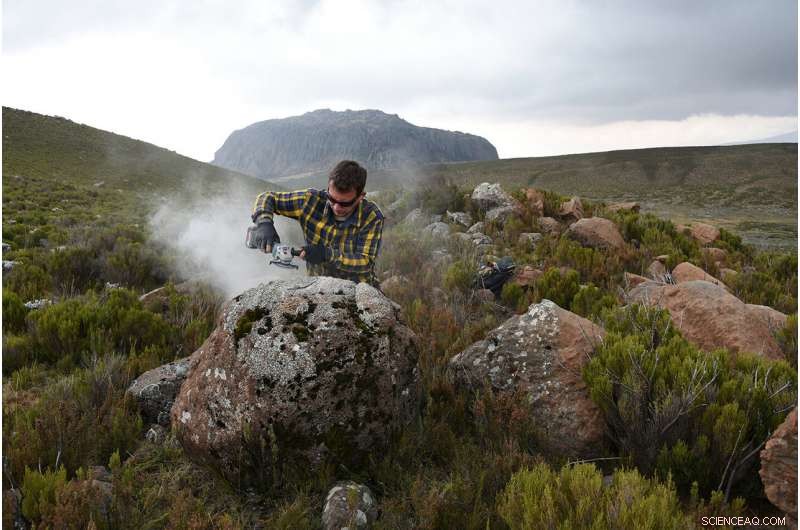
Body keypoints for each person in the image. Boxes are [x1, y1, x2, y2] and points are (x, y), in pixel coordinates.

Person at [248, 160, 384, 285]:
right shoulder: (310, 201)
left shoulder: (371, 216)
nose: (336, 207)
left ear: (361, 197)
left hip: (356, 290)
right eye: (332, 199)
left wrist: (327, 254)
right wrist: (264, 223)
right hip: (317, 287)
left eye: (345, 203)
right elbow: (266, 197)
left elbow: (365, 263)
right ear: (328, 188)